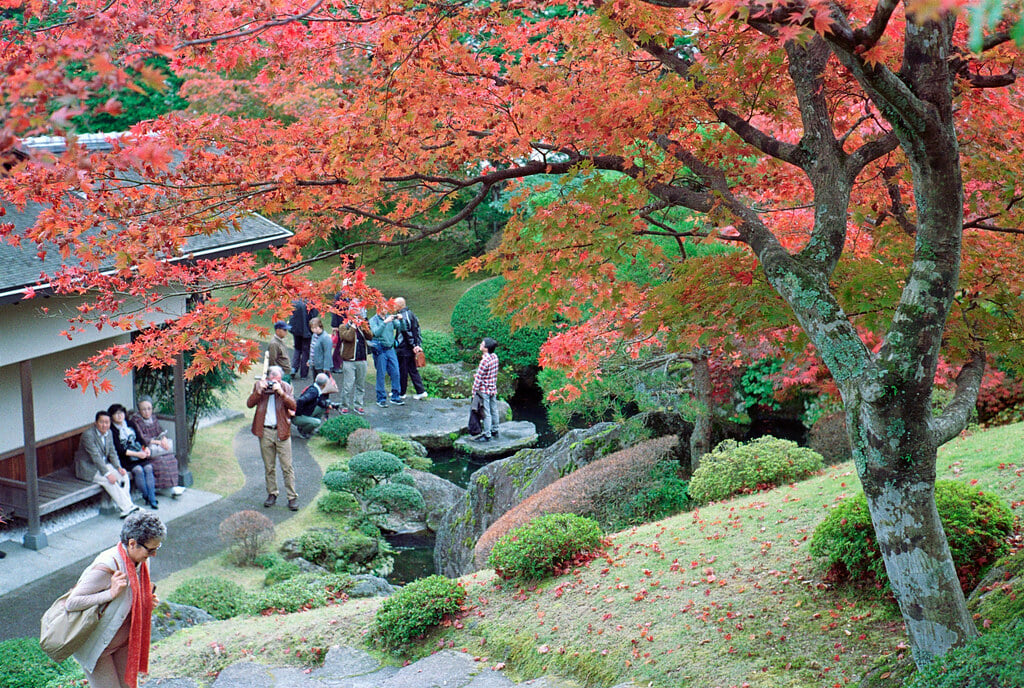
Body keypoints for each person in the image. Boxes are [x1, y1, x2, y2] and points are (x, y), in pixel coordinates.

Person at [67, 510, 165, 688]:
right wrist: (110, 593)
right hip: (98, 648)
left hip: (124, 641)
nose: (153, 555)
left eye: (157, 549)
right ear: (133, 543)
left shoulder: (141, 561)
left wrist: (146, 602)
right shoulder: (107, 565)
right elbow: (72, 603)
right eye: (151, 550)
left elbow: (130, 600)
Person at [246, 365, 299, 511]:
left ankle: (292, 496)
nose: (274, 383)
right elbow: (249, 404)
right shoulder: (260, 386)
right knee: (269, 466)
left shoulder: (286, 387)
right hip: (265, 432)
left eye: (278, 380)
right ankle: (272, 493)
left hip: (282, 431)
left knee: (287, 466)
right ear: (267, 378)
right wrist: (259, 391)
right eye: (273, 380)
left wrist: (281, 393)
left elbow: (293, 406)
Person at [74, 411, 138, 518]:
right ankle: (126, 507)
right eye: (101, 422)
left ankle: (128, 506)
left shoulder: (109, 433)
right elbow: (96, 457)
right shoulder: (88, 435)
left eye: (107, 422)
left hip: (103, 465)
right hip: (88, 468)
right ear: (96, 423)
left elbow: (112, 452)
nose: (104, 425)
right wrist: (108, 474)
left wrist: (118, 467)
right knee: (109, 481)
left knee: (123, 475)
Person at [108, 404, 157, 510]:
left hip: (139, 453)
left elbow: (140, 439)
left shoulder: (130, 424)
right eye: (116, 414)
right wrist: (137, 454)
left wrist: (145, 449)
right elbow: (119, 450)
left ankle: (152, 497)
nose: (120, 416)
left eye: (121, 413)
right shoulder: (112, 430)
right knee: (138, 470)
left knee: (148, 468)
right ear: (112, 416)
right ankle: (147, 496)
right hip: (126, 458)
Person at [128, 397, 181, 496]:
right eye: (143, 409)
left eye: (149, 408)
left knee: (171, 459)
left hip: (157, 446)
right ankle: (159, 487)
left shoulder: (153, 417)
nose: (147, 412)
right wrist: (158, 442)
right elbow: (141, 438)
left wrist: (163, 438)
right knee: (160, 461)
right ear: (139, 410)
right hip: (146, 448)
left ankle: (172, 486)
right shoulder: (136, 420)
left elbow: (160, 430)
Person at [369, 306, 404, 408]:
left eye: (386, 307)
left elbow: (402, 328)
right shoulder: (373, 320)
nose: (386, 310)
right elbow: (375, 332)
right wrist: (385, 323)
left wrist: (401, 320)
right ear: (378, 309)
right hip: (380, 350)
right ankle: (381, 398)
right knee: (381, 374)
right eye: (383, 308)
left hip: (390, 349)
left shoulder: (390, 318)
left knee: (396, 372)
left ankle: (396, 396)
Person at [394, 296, 428, 400]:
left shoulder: (403, 316)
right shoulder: (411, 314)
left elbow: (407, 332)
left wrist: (414, 345)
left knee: (403, 370)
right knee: (412, 369)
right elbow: (417, 330)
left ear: (399, 305)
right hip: (411, 347)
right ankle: (421, 391)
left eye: (394, 304)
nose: (393, 306)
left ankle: (401, 393)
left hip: (405, 348)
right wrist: (417, 345)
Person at [338, 314, 372, 415]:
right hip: (349, 360)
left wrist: (364, 326)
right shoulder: (343, 326)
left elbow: (370, 336)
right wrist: (353, 326)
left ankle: (358, 405)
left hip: (362, 359)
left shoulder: (363, 325)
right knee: (347, 385)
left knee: (360, 385)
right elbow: (348, 337)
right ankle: (344, 405)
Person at [471, 337, 500, 442]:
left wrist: (474, 392)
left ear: (486, 348)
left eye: (482, 344)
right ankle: (495, 430)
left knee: (486, 412)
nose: (480, 345)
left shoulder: (484, 361)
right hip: (492, 388)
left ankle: (487, 435)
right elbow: (490, 374)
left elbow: (478, 379)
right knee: (494, 410)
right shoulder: (494, 357)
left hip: (484, 391)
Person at [293, 372, 338, 438]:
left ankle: (309, 428)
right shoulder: (313, 392)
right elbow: (300, 400)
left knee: (322, 408)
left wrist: (327, 405)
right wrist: (298, 413)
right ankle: (303, 431)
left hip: (306, 412)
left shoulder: (315, 388)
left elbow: (318, 401)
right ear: (325, 384)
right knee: (317, 422)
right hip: (298, 416)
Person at [289, 299, 318, 380]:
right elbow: (314, 316)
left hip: (296, 329)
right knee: (305, 351)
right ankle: (303, 373)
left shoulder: (294, 301)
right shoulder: (310, 302)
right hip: (306, 330)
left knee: (297, 349)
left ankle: (294, 368)